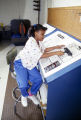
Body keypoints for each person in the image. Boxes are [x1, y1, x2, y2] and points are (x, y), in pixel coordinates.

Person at [14, 24, 64, 107]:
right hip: (20, 62)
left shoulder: (38, 41)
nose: (43, 36)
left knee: (39, 79)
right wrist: (56, 52)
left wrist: (57, 47)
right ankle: (24, 95)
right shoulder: (31, 41)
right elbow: (41, 55)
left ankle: (31, 94)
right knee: (23, 84)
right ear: (36, 33)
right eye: (42, 34)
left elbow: (44, 50)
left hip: (29, 63)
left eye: (44, 34)